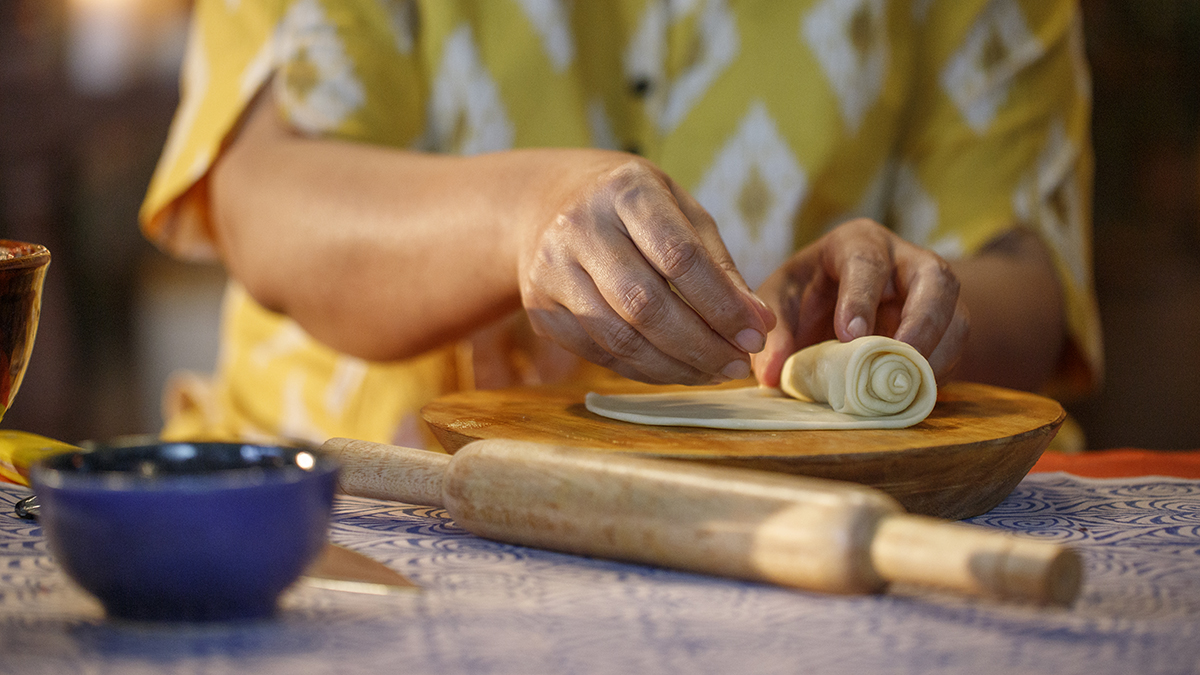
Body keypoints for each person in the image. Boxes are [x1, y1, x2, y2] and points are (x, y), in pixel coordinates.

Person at [140, 0, 1101, 449]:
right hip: (360, 502)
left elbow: (1028, 286)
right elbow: (262, 194)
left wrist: (900, 316)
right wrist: (522, 216)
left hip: (802, 526)